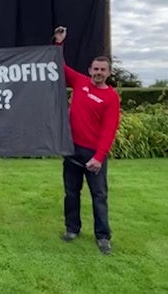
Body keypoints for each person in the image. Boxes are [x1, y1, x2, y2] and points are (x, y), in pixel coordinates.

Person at [53, 26, 120, 255]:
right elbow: (58, 67)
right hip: (72, 150)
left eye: (103, 69)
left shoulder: (111, 98)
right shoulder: (80, 82)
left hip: (93, 155)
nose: (98, 72)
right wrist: (59, 43)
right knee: (71, 193)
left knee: (99, 196)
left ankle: (103, 237)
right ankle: (72, 229)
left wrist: (99, 158)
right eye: (95, 69)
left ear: (108, 73)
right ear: (89, 70)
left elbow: (109, 130)